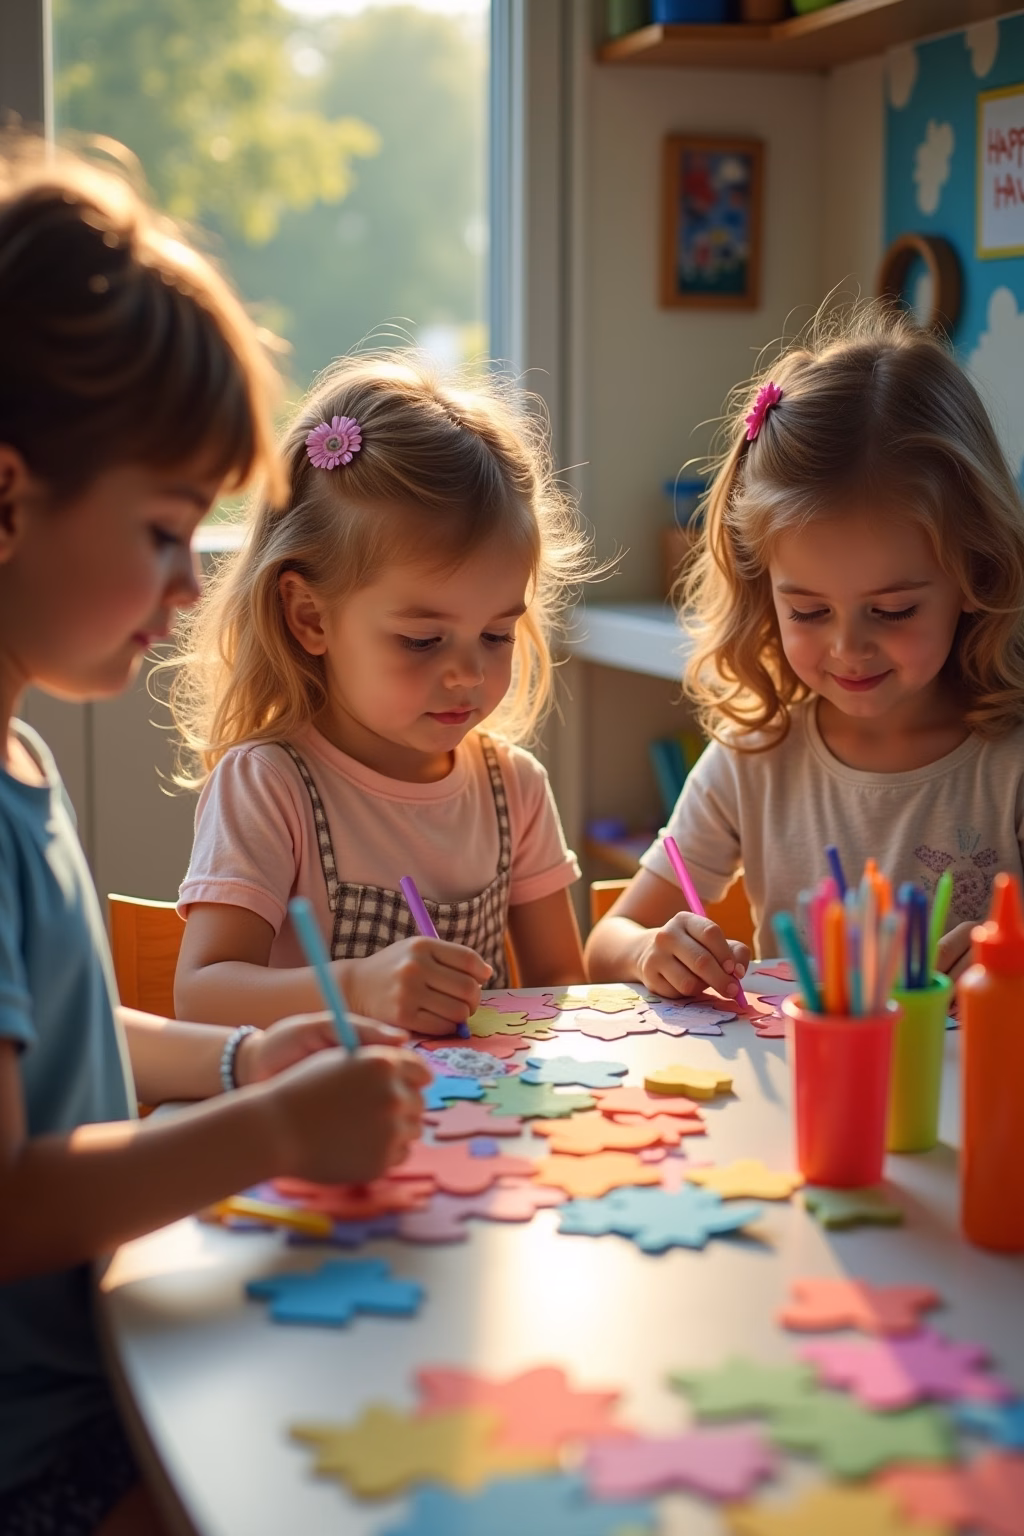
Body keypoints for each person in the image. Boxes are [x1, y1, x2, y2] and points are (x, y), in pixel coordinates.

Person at [0, 143, 429, 1536]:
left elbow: (64, 1042)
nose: (192, 588)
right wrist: (272, 1128)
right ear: (9, 497)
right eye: (167, 532)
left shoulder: (20, 754)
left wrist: (247, 1058)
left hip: (91, 1382)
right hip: (39, 1462)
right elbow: (7, 1201)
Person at [586, 304, 1024, 998]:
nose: (849, 647)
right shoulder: (753, 758)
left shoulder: (1008, 761)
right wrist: (651, 952)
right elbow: (610, 940)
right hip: (802, 1100)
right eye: (809, 610)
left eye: (892, 610)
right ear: (767, 594)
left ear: (975, 571)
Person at [171, 354, 590, 1036]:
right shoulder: (271, 786)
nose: (467, 675)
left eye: (495, 635)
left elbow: (563, 986)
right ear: (310, 617)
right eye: (422, 641)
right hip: (322, 1127)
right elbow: (203, 994)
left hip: (479, 1135)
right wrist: (358, 987)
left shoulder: (513, 789)